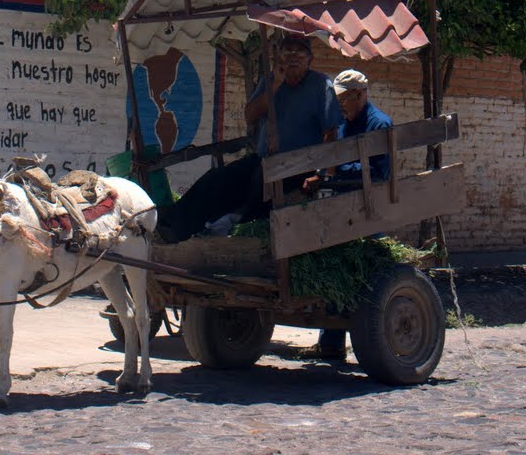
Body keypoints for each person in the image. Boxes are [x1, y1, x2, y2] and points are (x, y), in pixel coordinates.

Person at [155, 35, 341, 243]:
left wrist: (322, 173)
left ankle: (232, 222)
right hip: (263, 159)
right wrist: (276, 84)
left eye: (300, 52)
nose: (293, 57)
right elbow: (250, 116)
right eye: (287, 51)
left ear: (310, 59)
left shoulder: (320, 85)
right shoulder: (270, 81)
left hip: (298, 167)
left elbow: (331, 133)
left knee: (259, 180)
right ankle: (172, 229)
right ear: (279, 57)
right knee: (215, 179)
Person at [303, 69, 393, 362]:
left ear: (360, 95)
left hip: (368, 212)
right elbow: (330, 161)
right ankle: (330, 343)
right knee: (335, 268)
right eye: (338, 99)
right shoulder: (341, 124)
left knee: (362, 275)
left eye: (345, 98)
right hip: (341, 208)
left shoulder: (379, 125)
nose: (341, 104)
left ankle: (368, 341)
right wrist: (321, 175)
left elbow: (381, 173)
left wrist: (337, 171)